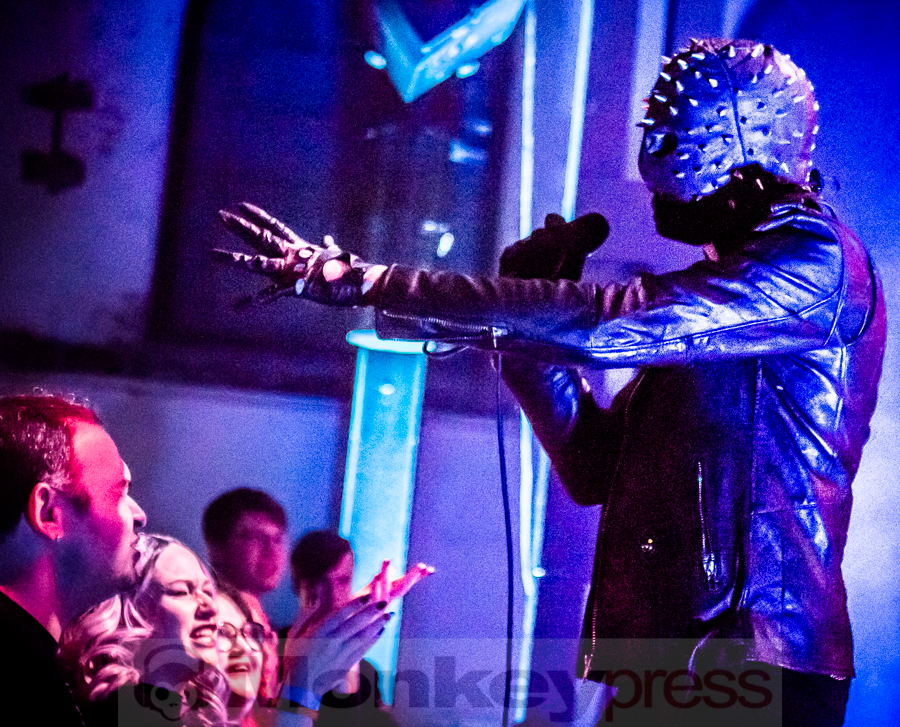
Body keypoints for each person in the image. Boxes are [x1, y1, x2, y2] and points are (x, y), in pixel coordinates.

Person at [215, 38, 886, 726]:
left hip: (757, 660)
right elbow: (594, 465)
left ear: (739, 146)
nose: (652, 165)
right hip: (680, 661)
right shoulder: (725, 306)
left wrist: (371, 282)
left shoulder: (817, 260)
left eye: (674, 141)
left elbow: (608, 326)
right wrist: (526, 332)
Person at [62, 533, 391, 727]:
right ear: (130, 613)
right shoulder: (119, 714)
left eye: (209, 592)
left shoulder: (183, 715)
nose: (210, 608)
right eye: (183, 591)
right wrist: (301, 689)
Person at [0, 393, 147, 724]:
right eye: (118, 492)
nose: (140, 514)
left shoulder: (33, 665)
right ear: (49, 513)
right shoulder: (19, 681)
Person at [287, 531, 397, 727]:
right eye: (320, 582)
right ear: (298, 584)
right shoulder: (270, 655)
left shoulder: (367, 672)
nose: (333, 595)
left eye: (342, 581)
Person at [202, 488, 289, 715]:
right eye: (256, 537)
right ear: (217, 547)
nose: (271, 550)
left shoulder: (263, 623)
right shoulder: (209, 619)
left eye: (277, 539)